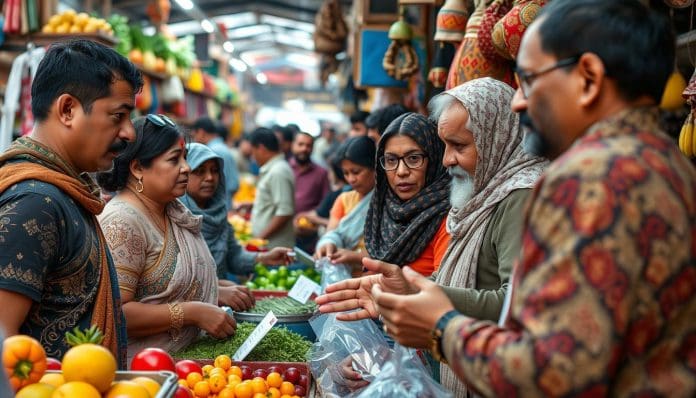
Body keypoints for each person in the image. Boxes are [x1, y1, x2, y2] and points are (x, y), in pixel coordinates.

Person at [368, 1, 696, 396]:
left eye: (530, 80)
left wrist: (441, 329)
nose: (518, 102)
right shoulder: (670, 166)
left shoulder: (591, 179)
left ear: (588, 78)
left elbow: (553, 370)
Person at [316, 78, 547, 394]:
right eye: (446, 146)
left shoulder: (519, 197)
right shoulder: (479, 198)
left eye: (459, 146)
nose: (447, 159)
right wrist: (406, 290)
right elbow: (460, 278)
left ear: (496, 138)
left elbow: (516, 305)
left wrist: (422, 298)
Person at [0, 40, 142, 367]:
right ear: (68, 110)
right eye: (118, 116)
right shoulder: (35, 201)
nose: (129, 133)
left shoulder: (65, 190)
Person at [98, 115, 236, 360]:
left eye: (184, 158)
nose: (186, 168)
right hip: (142, 373)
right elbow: (114, 311)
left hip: (183, 366)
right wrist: (192, 313)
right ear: (138, 168)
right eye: (175, 159)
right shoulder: (123, 221)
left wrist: (218, 288)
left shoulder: (169, 210)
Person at [181, 143, 292, 307]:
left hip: (221, 309)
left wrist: (264, 258)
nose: (210, 177)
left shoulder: (219, 215)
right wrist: (216, 289)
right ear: (183, 174)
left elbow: (233, 256)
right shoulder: (175, 217)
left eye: (215, 170)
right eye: (199, 171)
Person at [364, 112, 451, 277]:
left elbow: (445, 289)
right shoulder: (383, 208)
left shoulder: (448, 217)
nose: (401, 171)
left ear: (434, 158)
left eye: (413, 158)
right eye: (391, 160)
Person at [314, 136, 376, 267]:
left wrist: (356, 257)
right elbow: (331, 234)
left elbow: (391, 252)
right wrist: (328, 244)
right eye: (346, 173)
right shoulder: (344, 199)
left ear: (374, 167)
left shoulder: (389, 202)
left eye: (356, 172)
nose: (351, 179)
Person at [250, 127, 296, 248]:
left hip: (274, 246)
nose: (253, 157)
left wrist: (259, 238)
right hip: (269, 245)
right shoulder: (274, 169)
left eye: (253, 152)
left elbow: (285, 212)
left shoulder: (278, 171)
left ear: (261, 149)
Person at [191, 117, 239, 208]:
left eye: (194, 136)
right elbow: (234, 184)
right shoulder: (223, 148)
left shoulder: (210, 151)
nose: (209, 177)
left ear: (201, 132)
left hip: (220, 204)